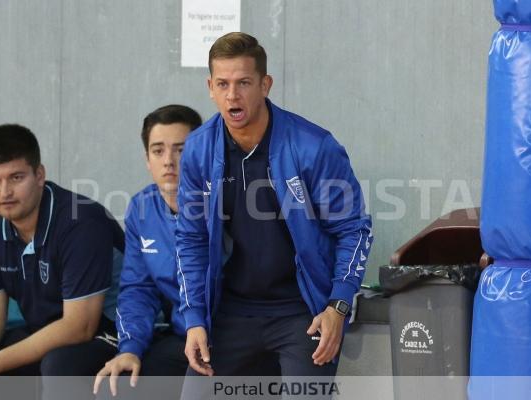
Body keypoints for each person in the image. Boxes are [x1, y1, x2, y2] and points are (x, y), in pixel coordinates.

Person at [176, 32, 373, 381]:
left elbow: (353, 229)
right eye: (222, 84)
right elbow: (190, 239)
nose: (232, 95)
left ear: (265, 85)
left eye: (243, 83)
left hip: (302, 312)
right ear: (210, 87)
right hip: (231, 313)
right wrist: (194, 319)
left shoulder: (314, 147)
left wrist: (338, 307)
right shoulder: (198, 150)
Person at [0, 124, 124, 397]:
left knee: (59, 366)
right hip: (48, 332)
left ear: (39, 175)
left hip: (114, 332)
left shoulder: (81, 221)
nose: (4, 192)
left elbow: (80, 326)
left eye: (16, 177)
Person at [93, 105, 202, 397]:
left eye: (181, 150)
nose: (169, 161)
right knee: (118, 385)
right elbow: (137, 289)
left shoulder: (228, 204)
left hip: (231, 340)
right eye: (158, 151)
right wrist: (130, 348)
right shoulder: (141, 208)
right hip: (181, 339)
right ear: (147, 160)